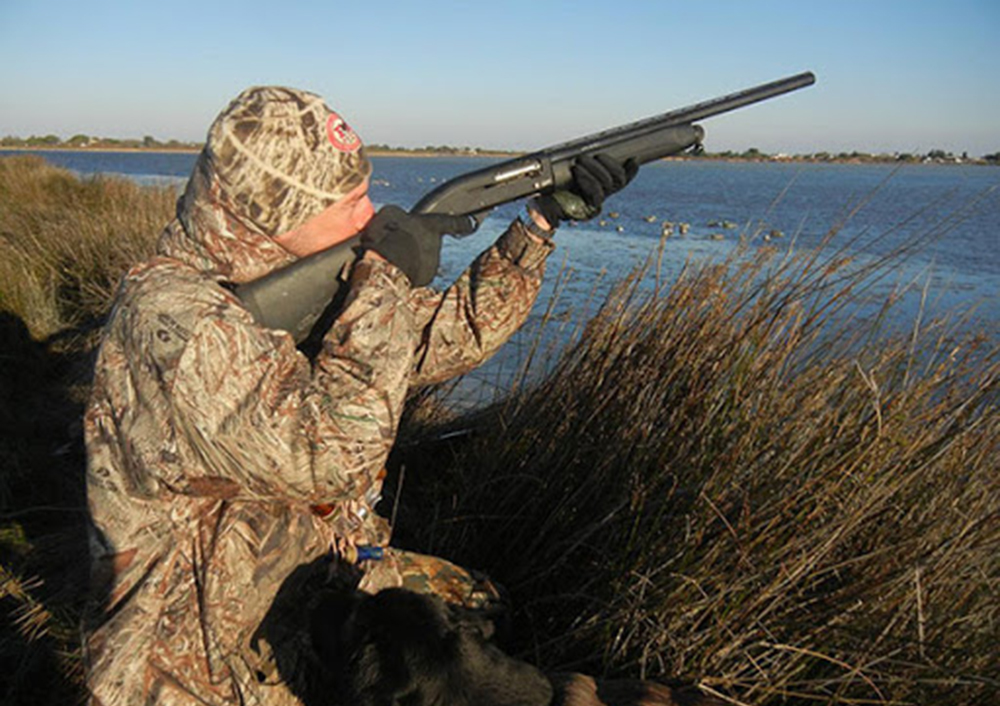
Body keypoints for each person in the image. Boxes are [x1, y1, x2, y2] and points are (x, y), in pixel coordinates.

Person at [82, 85, 636, 705]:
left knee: (485, 604)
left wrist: (538, 225)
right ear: (271, 215)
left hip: (313, 586)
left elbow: (437, 342)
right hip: (206, 657)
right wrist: (384, 277)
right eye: (348, 203)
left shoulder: (286, 284)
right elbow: (335, 457)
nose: (369, 214)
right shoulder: (175, 325)